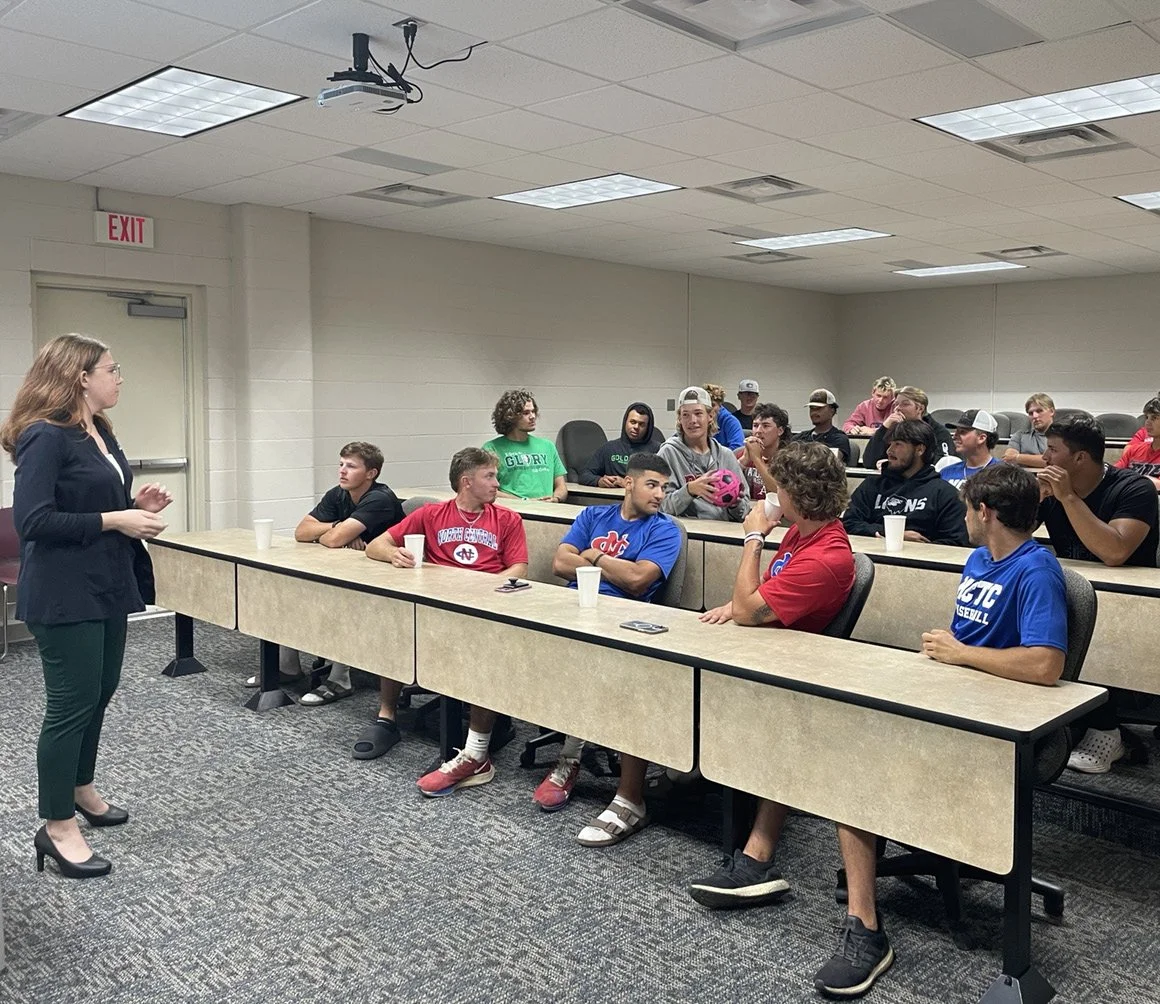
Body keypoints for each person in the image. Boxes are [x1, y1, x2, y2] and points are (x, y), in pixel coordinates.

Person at [693, 444, 891, 1000]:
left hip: (816, 690)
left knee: (843, 778)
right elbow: (756, 604)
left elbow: (753, 607)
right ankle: (757, 857)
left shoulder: (826, 555)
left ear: (796, 498)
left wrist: (752, 539)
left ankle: (867, 928)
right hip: (782, 671)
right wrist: (743, 607)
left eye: (778, 489)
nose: (772, 497)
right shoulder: (804, 535)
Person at [1, 334, 171, 879]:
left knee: (100, 690)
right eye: (111, 369)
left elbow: (90, 501)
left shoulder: (99, 430)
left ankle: (80, 787)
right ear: (81, 377)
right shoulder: (44, 436)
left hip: (106, 582)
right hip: (63, 590)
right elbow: (33, 521)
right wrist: (116, 519)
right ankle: (56, 826)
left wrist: (131, 504)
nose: (118, 378)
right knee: (70, 705)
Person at [364, 448, 528, 783]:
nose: (497, 483)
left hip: (483, 608)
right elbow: (375, 545)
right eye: (489, 476)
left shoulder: (507, 519)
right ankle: (386, 717)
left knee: (483, 650)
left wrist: (481, 589)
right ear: (466, 482)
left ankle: (475, 748)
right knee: (397, 629)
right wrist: (393, 554)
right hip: (435, 603)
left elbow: (519, 568)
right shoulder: (431, 514)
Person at [536, 453, 684, 825]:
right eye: (652, 485)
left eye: (665, 488)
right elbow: (560, 563)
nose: (660, 494)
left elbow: (638, 581)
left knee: (587, 666)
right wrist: (615, 568)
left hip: (623, 622)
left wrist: (595, 556)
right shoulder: (592, 516)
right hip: (576, 609)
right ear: (629, 483)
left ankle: (569, 757)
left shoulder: (665, 530)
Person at [1038, 418, 1158, 774]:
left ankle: (1107, 730)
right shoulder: (1050, 491)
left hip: (1131, 604)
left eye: (1053, 450)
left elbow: (1115, 551)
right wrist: (1027, 502)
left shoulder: (1134, 488)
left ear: (1080, 458)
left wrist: (1068, 498)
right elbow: (1004, 536)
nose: (1044, 458)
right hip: (1073, 593)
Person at [922, 463, 1068, 684]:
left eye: (968, 510)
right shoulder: (978, 557)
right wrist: (940, 646)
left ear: (983, 512)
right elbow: (963, 634)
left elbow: (1045, 666)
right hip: (964, 676)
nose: (965, 518)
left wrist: (961, 653)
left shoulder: (1038, 571)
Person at [285, 442, 404, 706]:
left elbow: (332, 540)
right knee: (292, 589)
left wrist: (333, 534)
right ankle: (287, 668)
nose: (342, 471)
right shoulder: (338, 494)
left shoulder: (379, 498)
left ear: (371, 473)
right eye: (341, 464)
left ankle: (340, 679)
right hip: (352, 570)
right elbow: (301, 532)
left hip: (388, 579)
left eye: (351, 466)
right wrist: (337, 526)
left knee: (342, 602)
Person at [842, 420, 969, 546]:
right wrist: (893, 534)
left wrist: (919, 547)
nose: (889, 451)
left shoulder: (945, 494)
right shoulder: (871, 485)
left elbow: (956, 542)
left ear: (920, 449)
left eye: (898, 444)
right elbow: (849, 523)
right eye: (890, 444)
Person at [658, 386, 749, 521]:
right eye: (685, 415)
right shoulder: (668, 453)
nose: (692, 420)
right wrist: (689, 490)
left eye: (698, 413)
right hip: (686, 531)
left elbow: (745, 510)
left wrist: (735, 504)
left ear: (710, 416)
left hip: (723, 530)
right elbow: (659, 507)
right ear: (680, 419)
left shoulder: (726, 456)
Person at [483, 388, 567, 502]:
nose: (532, 416)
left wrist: (555, 498)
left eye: (533, 411)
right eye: (526, 413)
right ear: (510, 417)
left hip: (548, 508)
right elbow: (487, 490)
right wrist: (525, 501)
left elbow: (561, 486)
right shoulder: (491, 448)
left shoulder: (547, 446)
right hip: (513, 509)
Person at [860, 386, 954, 471]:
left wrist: (899, 464)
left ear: (920, 409)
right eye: (896, 404)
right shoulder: (894, 429)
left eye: (905, 404)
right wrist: (884, 428)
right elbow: (869, 462)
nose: (897, 408)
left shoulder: (939, 432)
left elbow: (944, 465)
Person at [579, 402, 656, 487]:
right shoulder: (609, 448)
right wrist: (598, 481)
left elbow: (662, 483)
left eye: (641, 424)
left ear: (648, 427)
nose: (636, 427)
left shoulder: (657, 450)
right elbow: (584, 475)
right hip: (612, 495)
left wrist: (627, 484)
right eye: (632, 422)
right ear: (625, 422)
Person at [736, 403, 790, 502]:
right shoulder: (741, 453)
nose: (758, 431)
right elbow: (724, 483)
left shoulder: (789, 459)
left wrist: (757, 459)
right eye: (755, 425)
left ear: (780, 431)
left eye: (765, 426)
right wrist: (743, 461)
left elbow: (779, 493)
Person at [939, 409, 1002, 490]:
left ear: (981, 438)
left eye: (962, 432)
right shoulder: (946, 472)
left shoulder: (1003, 473)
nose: (954, 436)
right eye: (956, 431)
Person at [795, 388, 852, 465]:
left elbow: (829, 465)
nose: (814, 412)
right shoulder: (799, 438)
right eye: (812, 408)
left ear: (832, 410)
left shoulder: (839, 439)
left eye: (819, 408)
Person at [1114, 396, 1160, 489]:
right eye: (1147, 417)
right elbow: (1113, 474)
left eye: (1154, 418)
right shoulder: (1134, 450)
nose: (1147, 422)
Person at [1003, 393, 1054, 468]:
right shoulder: (1020, 435)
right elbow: (1008, 458)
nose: (1035, 416)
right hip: (1025, 475)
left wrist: (1017, 457)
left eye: (1039, 411)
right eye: (1030, 413)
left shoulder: (1063, 436)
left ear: (1052, 411)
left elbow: (1054, 461)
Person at [704, 383, 744, 450]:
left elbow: (738, 448)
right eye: (706, 405)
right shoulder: (699, 420)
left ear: (720, 405)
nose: (709, 409)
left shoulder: (731, 421)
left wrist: (718, 455)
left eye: (713, 405)